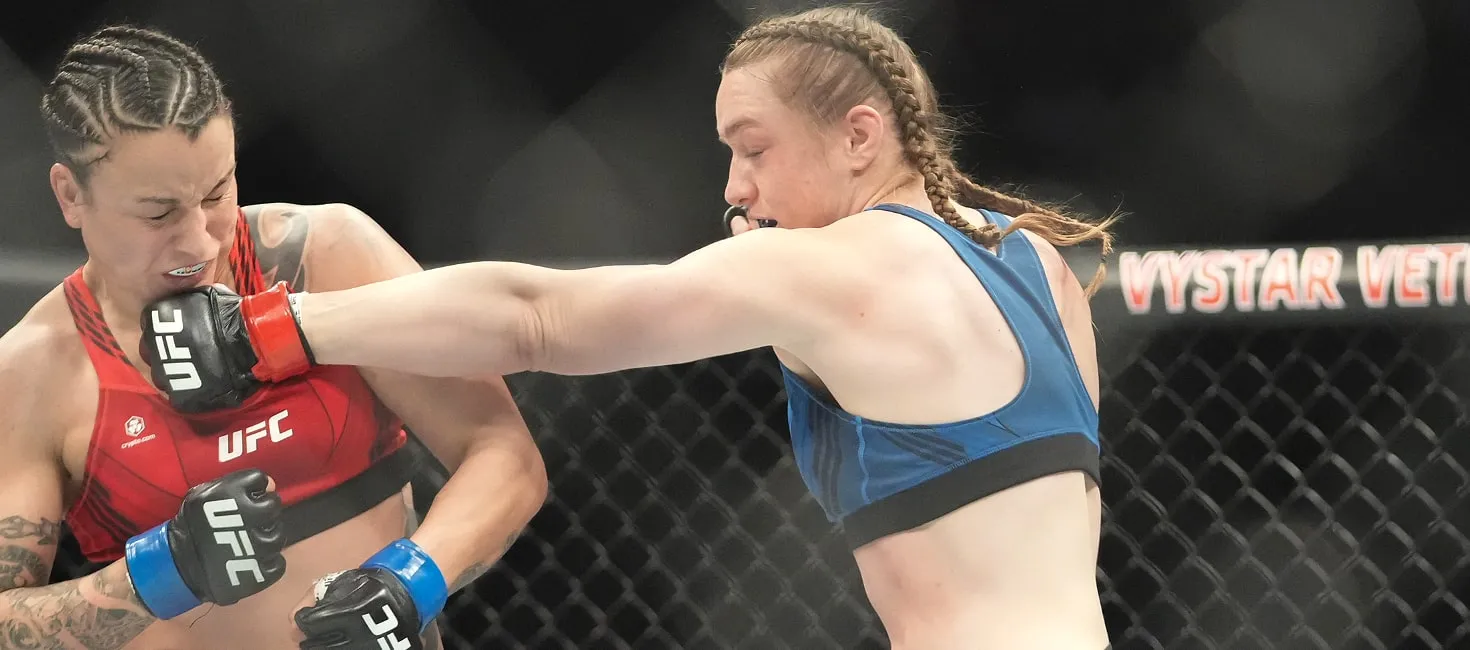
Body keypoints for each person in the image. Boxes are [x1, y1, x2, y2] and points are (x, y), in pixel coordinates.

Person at [144, 6, 1117, 650]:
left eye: (754, 150)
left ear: (860, 136)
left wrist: (273, 328)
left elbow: (537, 317)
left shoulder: (834, 267)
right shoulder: (1038, 266)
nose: (735, 187)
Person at [0, 25, 548, 650]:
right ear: (71, 195)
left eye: (217, 193)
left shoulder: (326, 260)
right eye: (158, 212)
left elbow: (505, 454)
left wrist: (410, 583)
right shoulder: (36, 370)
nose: (200, 241)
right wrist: (162, 571)